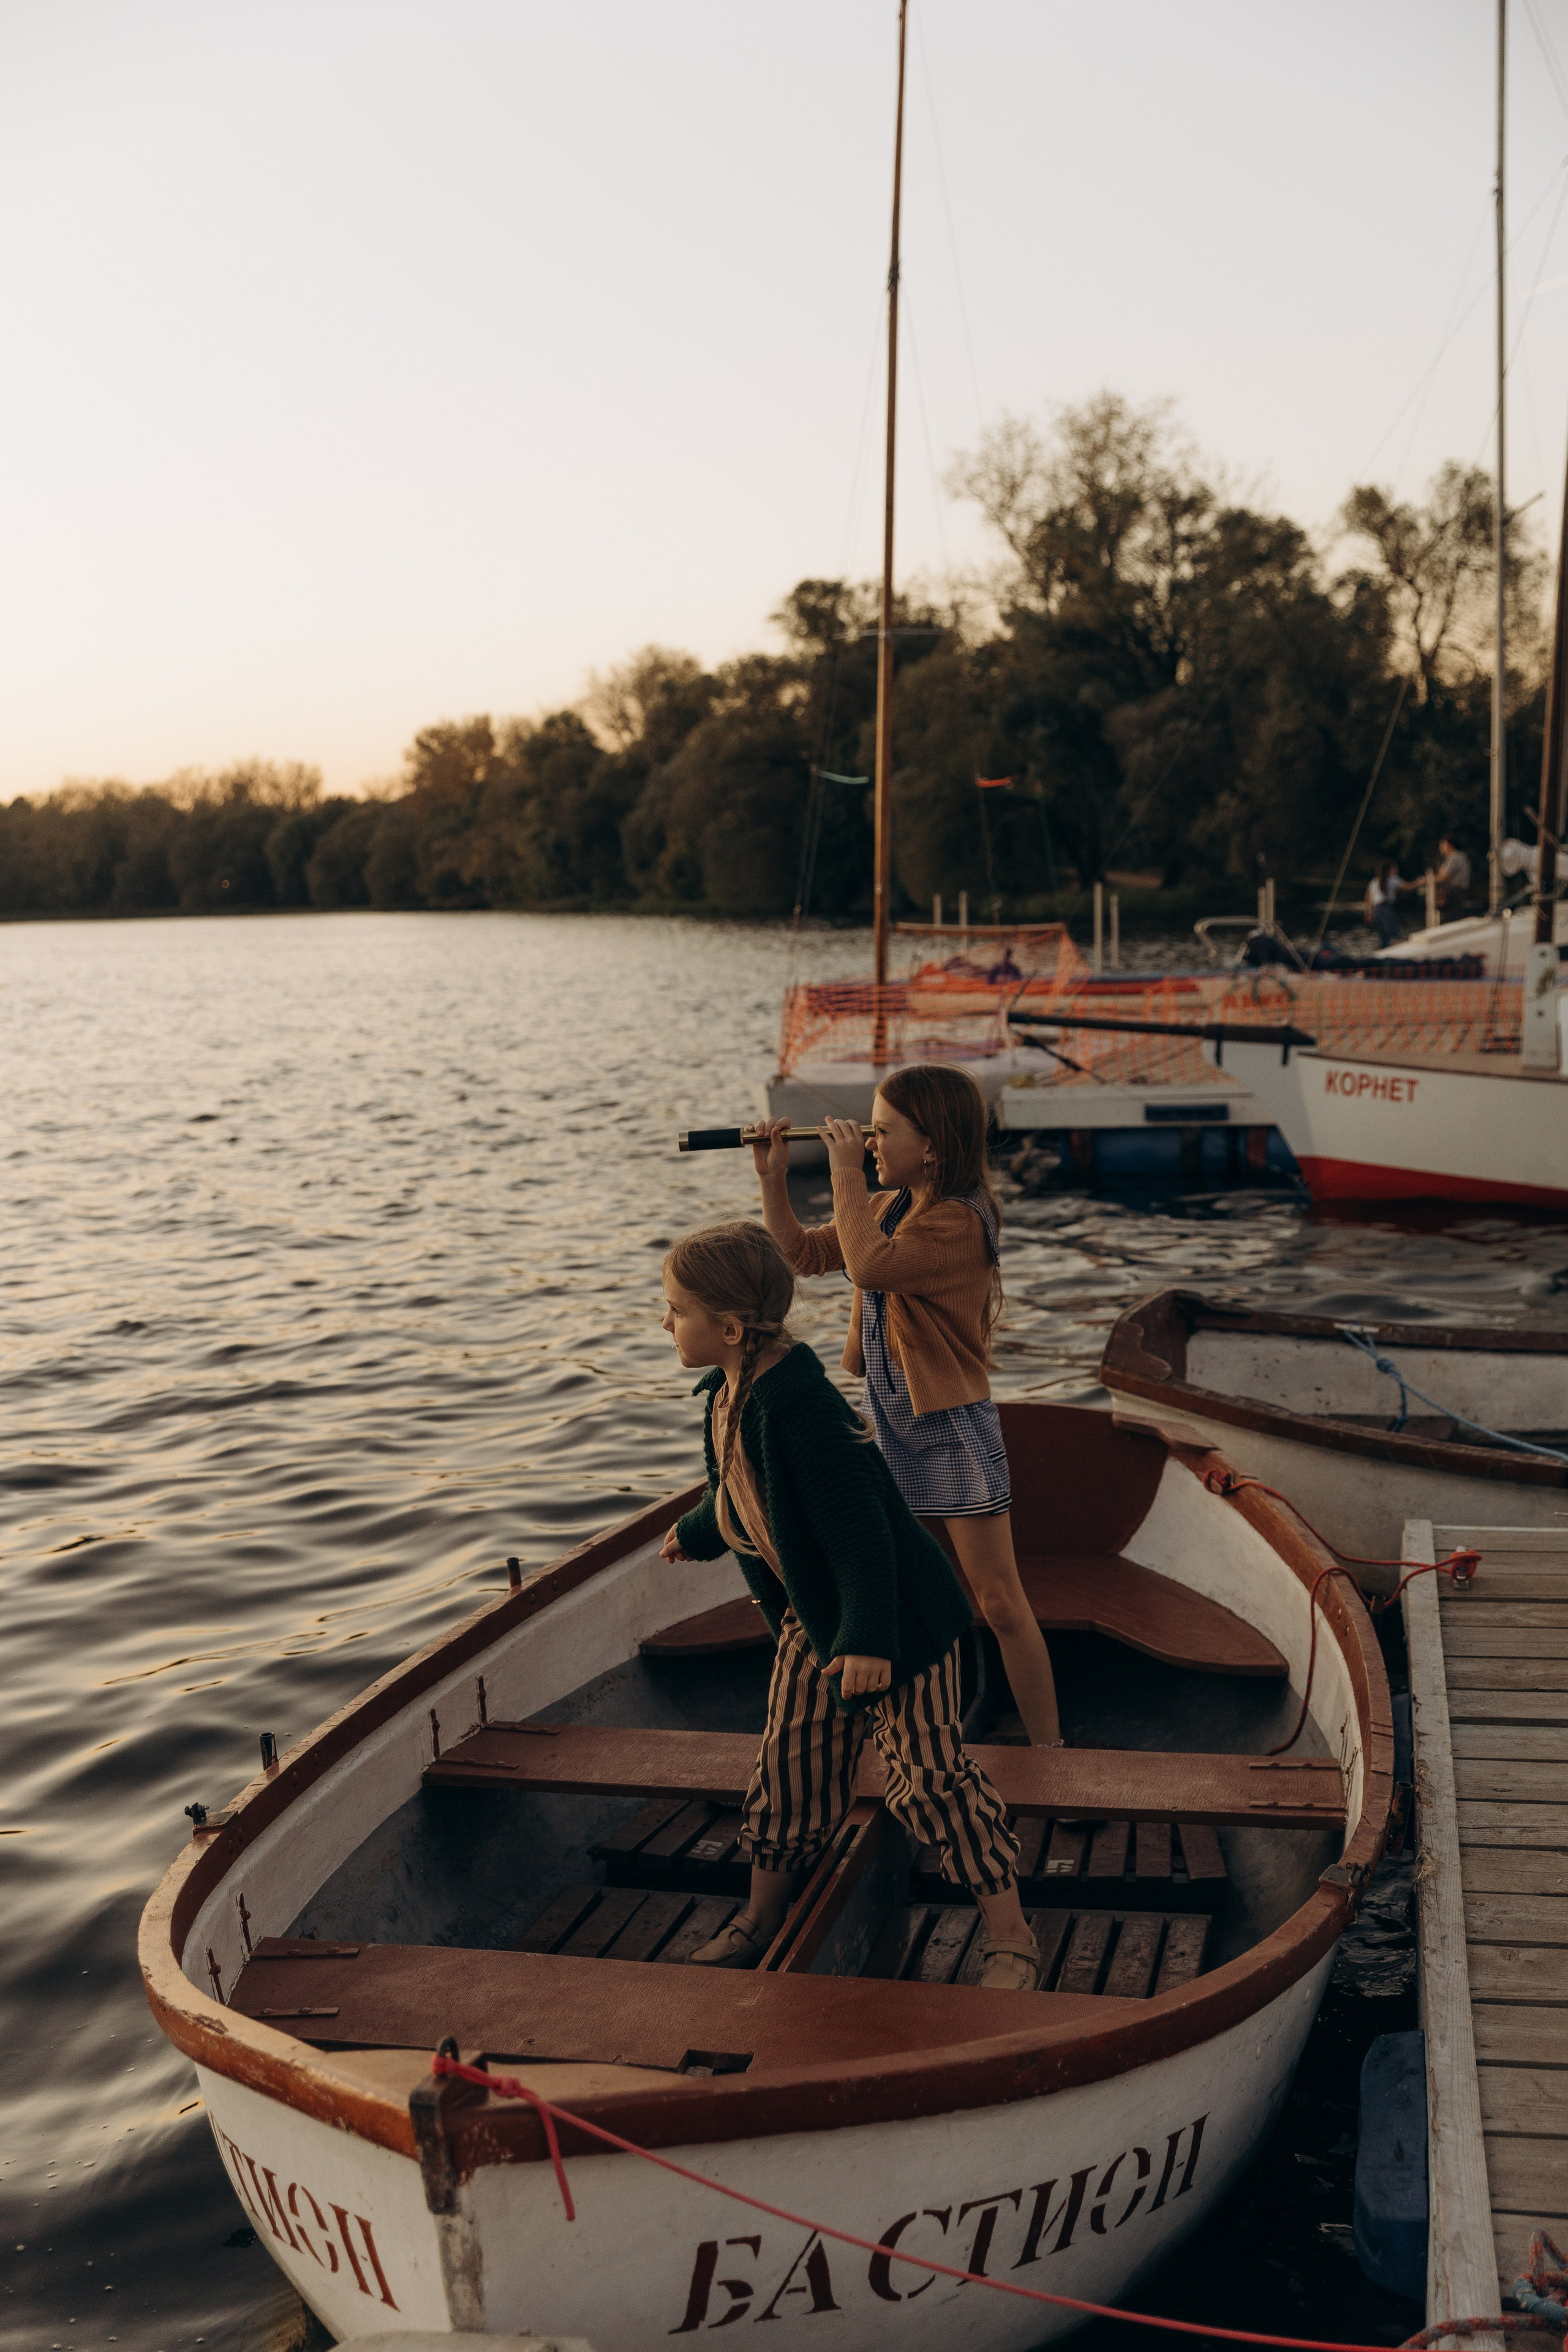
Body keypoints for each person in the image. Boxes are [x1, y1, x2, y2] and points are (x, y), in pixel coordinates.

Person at [659, 1220, 1042, 1989]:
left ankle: (1011, 1933)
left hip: (894, 1621)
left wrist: (868, 1642)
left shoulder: (800, 1408)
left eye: (675, 1310)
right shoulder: (728, 1393)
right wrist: (694, 1531)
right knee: (789, 1766)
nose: (664, 1322)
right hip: (816, 1616)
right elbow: (741, 1495)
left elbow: (864, 1539)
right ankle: (760, 1917)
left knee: (928, 1778)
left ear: (729, 1328)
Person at [749, 1062, 1062, 1749]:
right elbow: (802, 1256)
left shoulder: (959, 1221)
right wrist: (774, 1179)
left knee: (1000, 1601)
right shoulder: (892, 1207)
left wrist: (843, 1177)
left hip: (949, 1427)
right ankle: (898, 1739)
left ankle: (1051, 1752)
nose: (866, 1143)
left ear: (933, 1146)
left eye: (880, 1131)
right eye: (867, 1131)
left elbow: (869, 1268)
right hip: (888, 1421)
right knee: (885, 1586)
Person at [1364, 862, 1404, 949]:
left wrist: (1368, 913)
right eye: (1395, 868)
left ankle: (1383, 956)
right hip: (1386, 909)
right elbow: (1407, 887)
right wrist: (1421, 881)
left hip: (1376, 911)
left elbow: (1368, 899)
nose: (1397, 870)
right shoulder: (1393, 879)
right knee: (1393, 936)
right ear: (1390, 870)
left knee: (1384, 937)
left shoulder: (1374, 881)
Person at [1435, 837, 1471, 921]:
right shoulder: (1451, 858)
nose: (1441, 848)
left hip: (1456, 892)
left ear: (1450, 845)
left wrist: (1424, 881)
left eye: (1443, 845)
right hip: (1456, 891)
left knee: (1452, 918)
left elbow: (1442, 877)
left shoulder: (1456, 857)